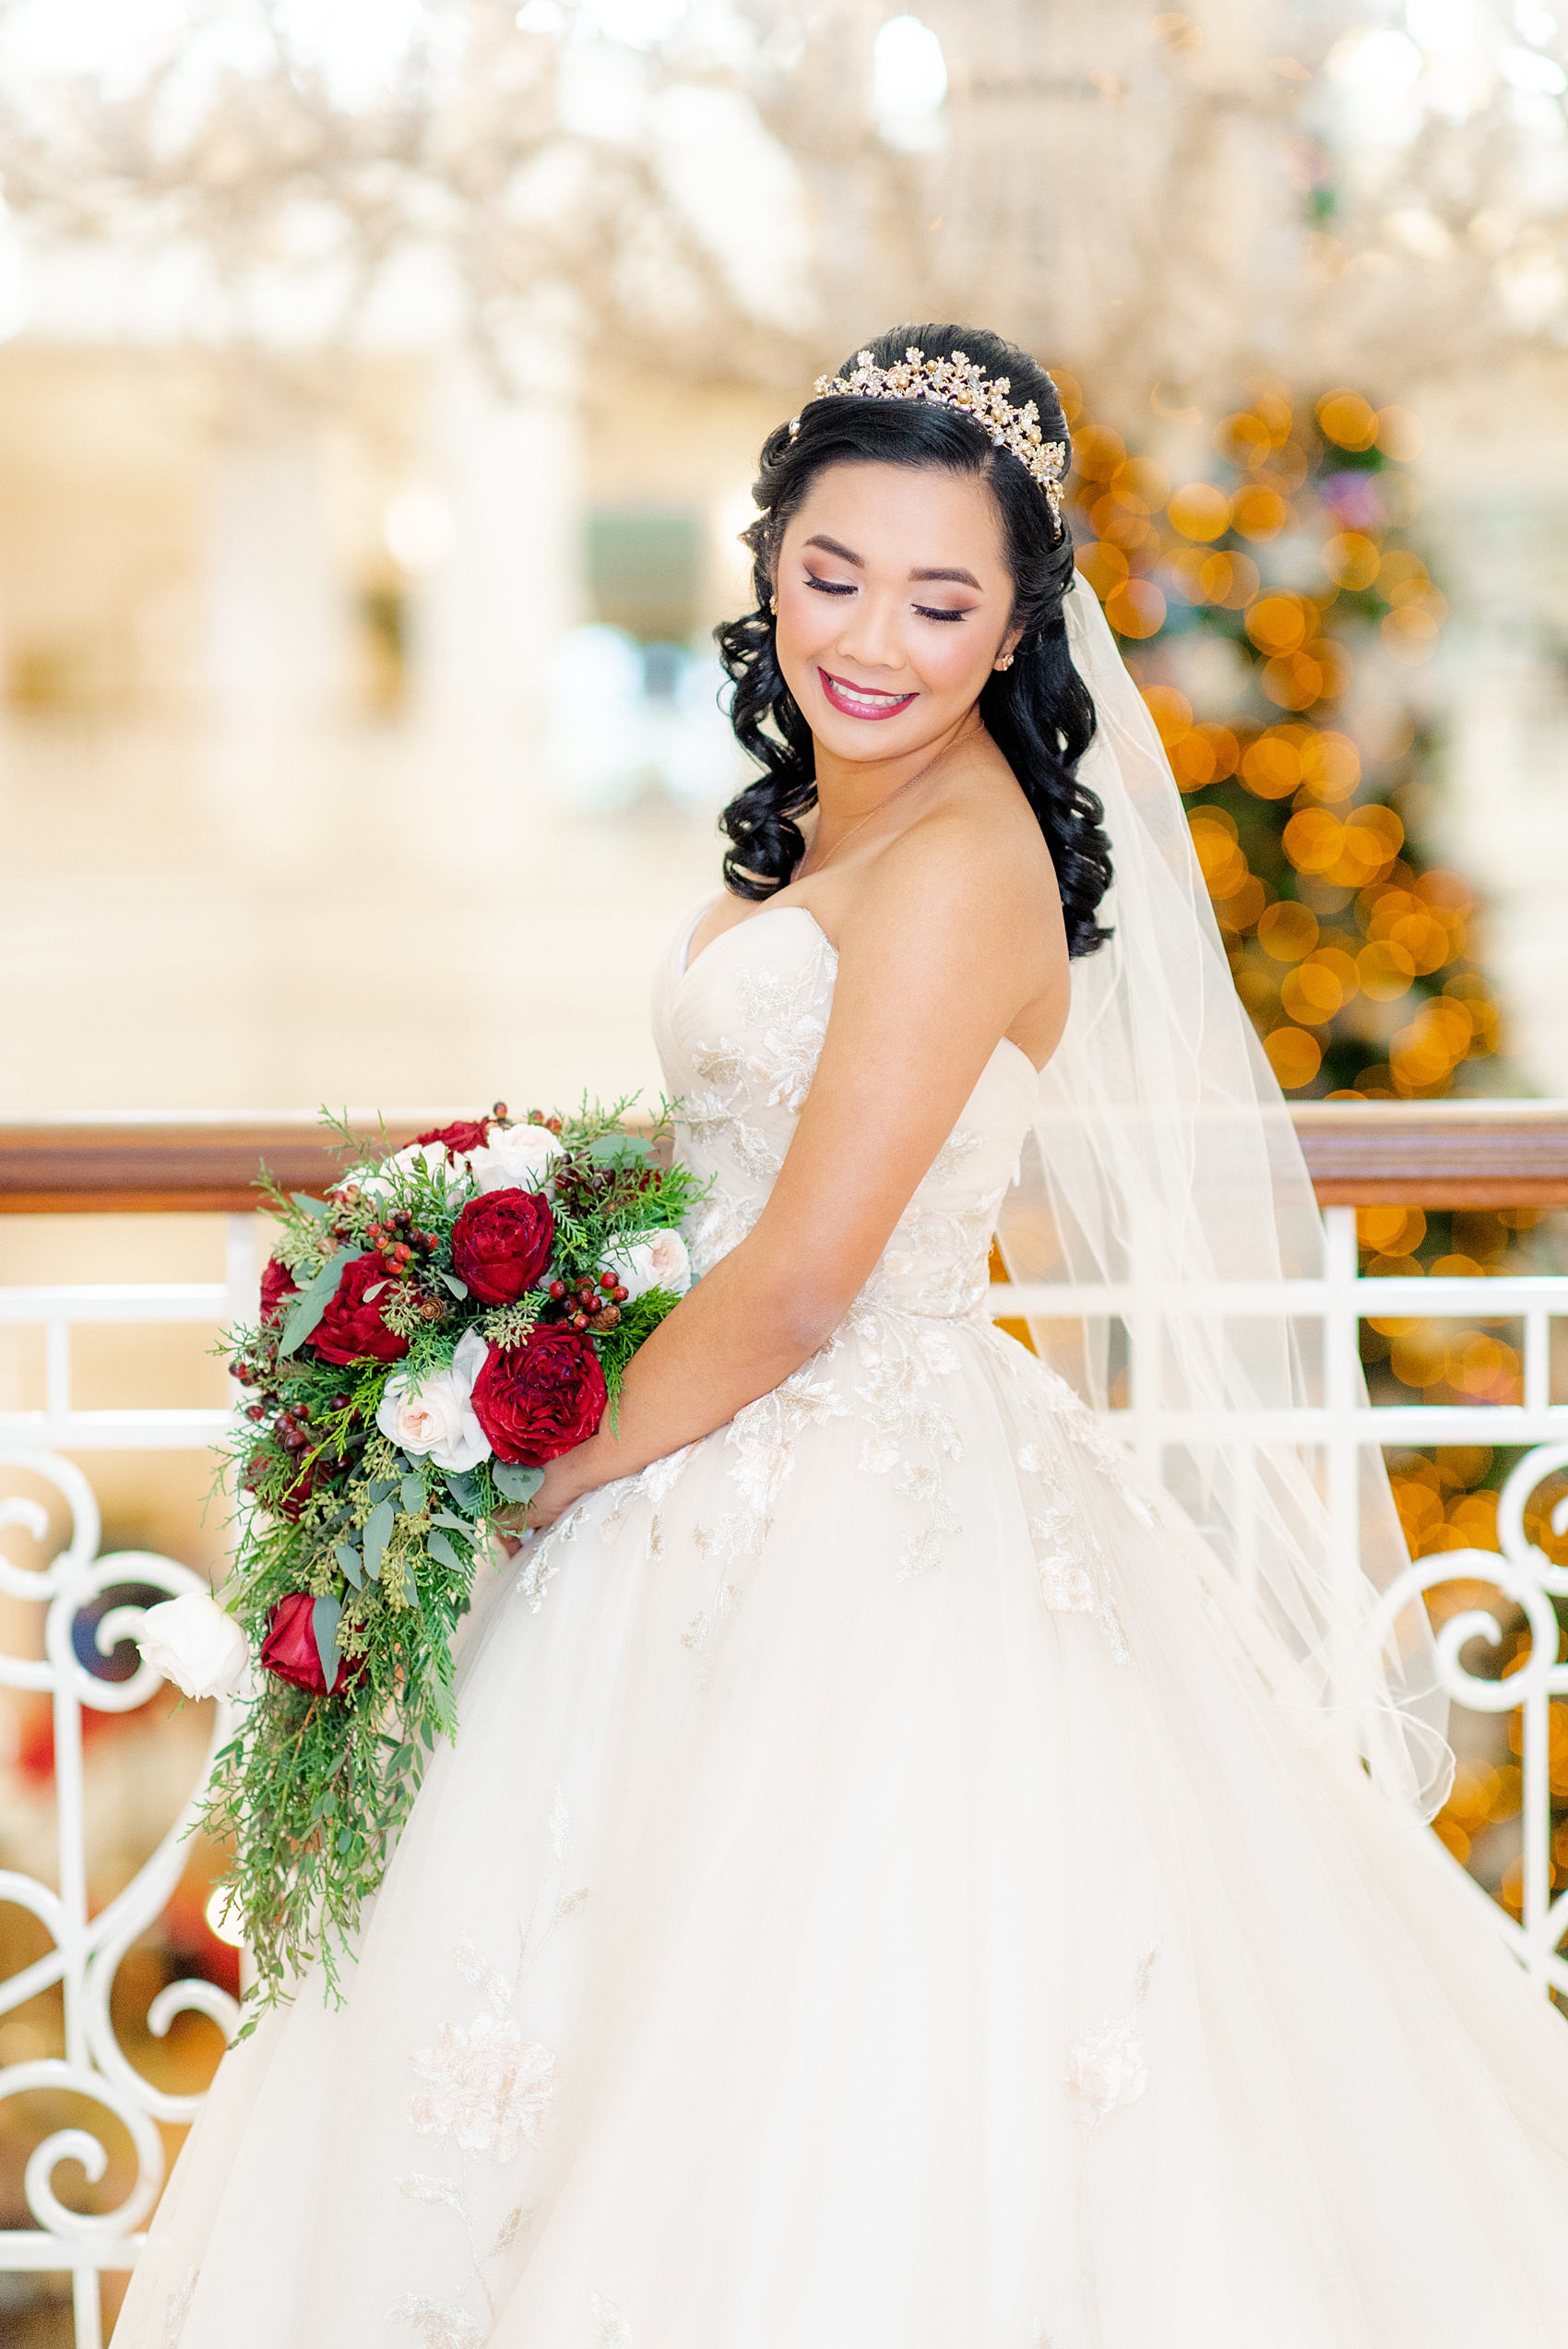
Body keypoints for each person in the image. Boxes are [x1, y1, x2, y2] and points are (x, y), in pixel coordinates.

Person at [120, 326, 1568, 2349]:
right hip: (720, 1443)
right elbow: (740, 1178)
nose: (868, 636)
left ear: (1014, 626)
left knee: (824, 2075)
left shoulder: (967, 857)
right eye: (829, 574)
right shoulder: (839, 814)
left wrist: (516, 1472)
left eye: (938, 597)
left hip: (846, 1483)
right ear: (769, 564)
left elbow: (806, 1276)